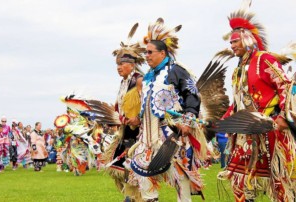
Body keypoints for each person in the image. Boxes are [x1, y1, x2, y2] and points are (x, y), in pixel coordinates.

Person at [217, 2, 296, 202]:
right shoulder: (238, 70)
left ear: (247, 39)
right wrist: (223, 121)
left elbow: (285, 87)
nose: (232, 45)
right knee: (240, 181)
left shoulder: (265, 60)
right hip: (245, 135)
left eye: (235, 41)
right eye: (231, 42)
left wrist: (284, 118)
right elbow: (237, 103)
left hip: (271, 132)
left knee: (279, 184)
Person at [128, 18, 208, 202]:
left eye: (150, 52)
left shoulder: (177, 71)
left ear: (162, 52)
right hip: (147, 135)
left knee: (179, 174)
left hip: (171, 131)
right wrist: (139, 118)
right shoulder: (148, 77)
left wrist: (188, 121)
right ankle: (151, 199)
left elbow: (192, 95)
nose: (146, 56)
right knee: (141, 170)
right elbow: (150, 105)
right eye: (145, 52)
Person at [103, 22, 145, 201]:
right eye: (117, 64)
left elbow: (145, 105)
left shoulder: (139, 80)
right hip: (126, 131)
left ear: (131, 64)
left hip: (139, 133)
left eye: (121, 64)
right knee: (119, 167)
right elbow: (119, 106)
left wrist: (138, 119)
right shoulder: (124, 82)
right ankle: (131, 196)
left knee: (134, 167)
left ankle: (136, 197)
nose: (118, 67)